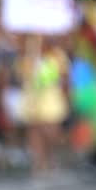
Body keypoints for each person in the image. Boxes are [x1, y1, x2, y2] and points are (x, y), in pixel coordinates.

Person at [21, 38, 70, 178]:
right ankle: (38, 161)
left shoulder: (57, 55)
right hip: (33, 97)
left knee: (50, 130)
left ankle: (51, 155)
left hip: (51, 97)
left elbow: (64, 76)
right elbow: (24, 76)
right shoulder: (28, 56)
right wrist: (32, 62)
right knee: (35, 130)